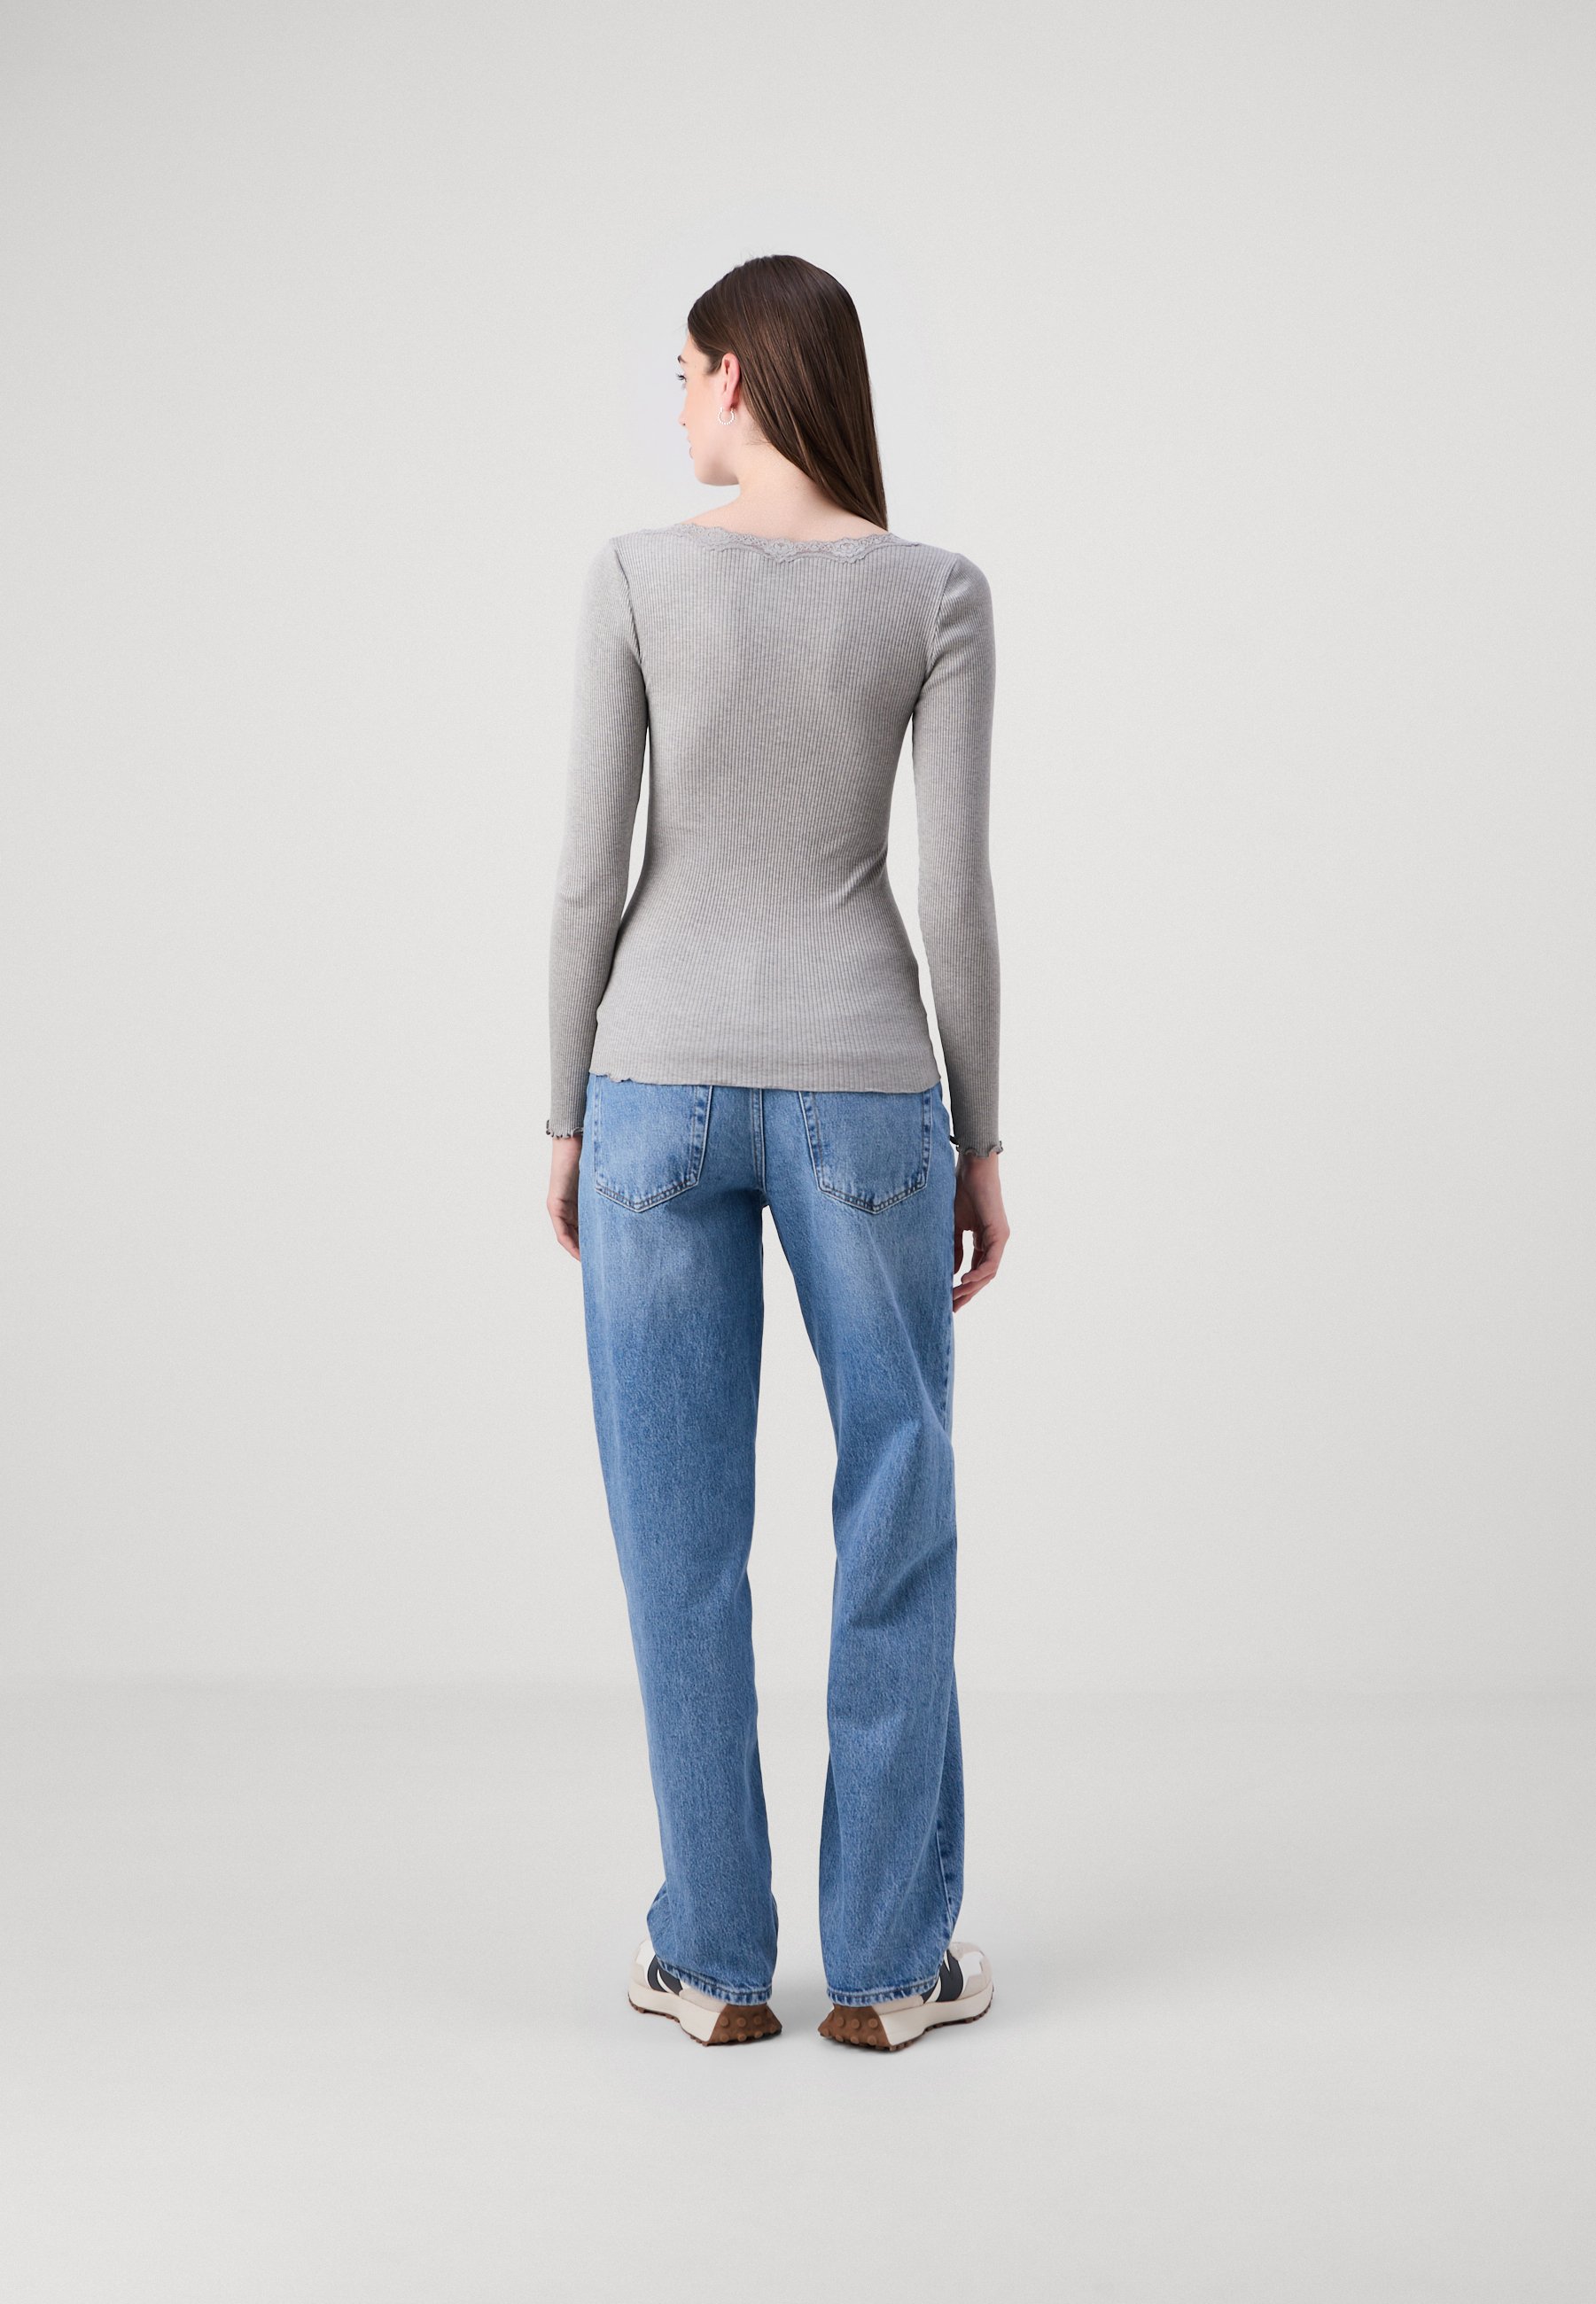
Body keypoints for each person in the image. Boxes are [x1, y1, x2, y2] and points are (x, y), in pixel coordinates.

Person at [544, 254, 1008, 2051]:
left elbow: (586, 875)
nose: (674, 404)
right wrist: (981, 1135)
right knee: (896, 1502)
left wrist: (566, 1110)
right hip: (868, 1095)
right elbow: (952, 897)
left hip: (650, 1086)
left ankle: (715, 1968)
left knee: (679, 1537)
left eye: (683, 371)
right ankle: (887, 1974)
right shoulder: (934, 592)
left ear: (738, 376)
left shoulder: (635, 576)